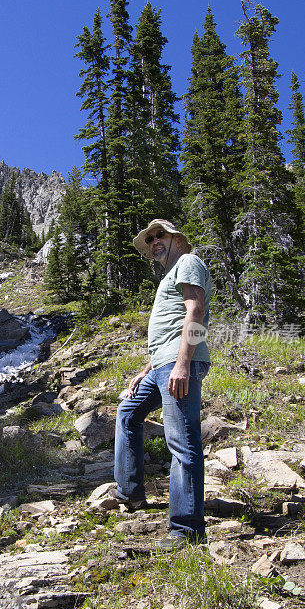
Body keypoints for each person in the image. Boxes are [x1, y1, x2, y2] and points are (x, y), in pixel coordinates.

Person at [111, 219, 212, 551]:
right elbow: (167, 332)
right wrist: (146, 370)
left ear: (177, 240)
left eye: (160, 236)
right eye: (150, 238)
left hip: (179, 363)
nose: (154, 241)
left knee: (182, 439)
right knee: (128, 411)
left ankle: (186, 530)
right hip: (161, 364)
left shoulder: (188, 262)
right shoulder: (168, 276)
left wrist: (183, 364)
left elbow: (195, 313)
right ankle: (130, 493)